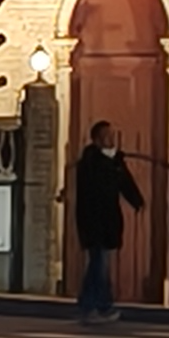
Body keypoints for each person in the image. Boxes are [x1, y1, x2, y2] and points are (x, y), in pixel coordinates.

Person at [69, 120, 142, 319]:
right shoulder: (91, 163)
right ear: (97, 140)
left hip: (109, 221)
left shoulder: (115, 161)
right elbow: (95, 192)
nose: (111, 140)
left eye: (112, 136)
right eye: (106, 137)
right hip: (94, 222)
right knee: (99, 265)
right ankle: (103, 305)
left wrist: (137, 201)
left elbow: (125, 184)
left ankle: (87, 303)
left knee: (97, 264)